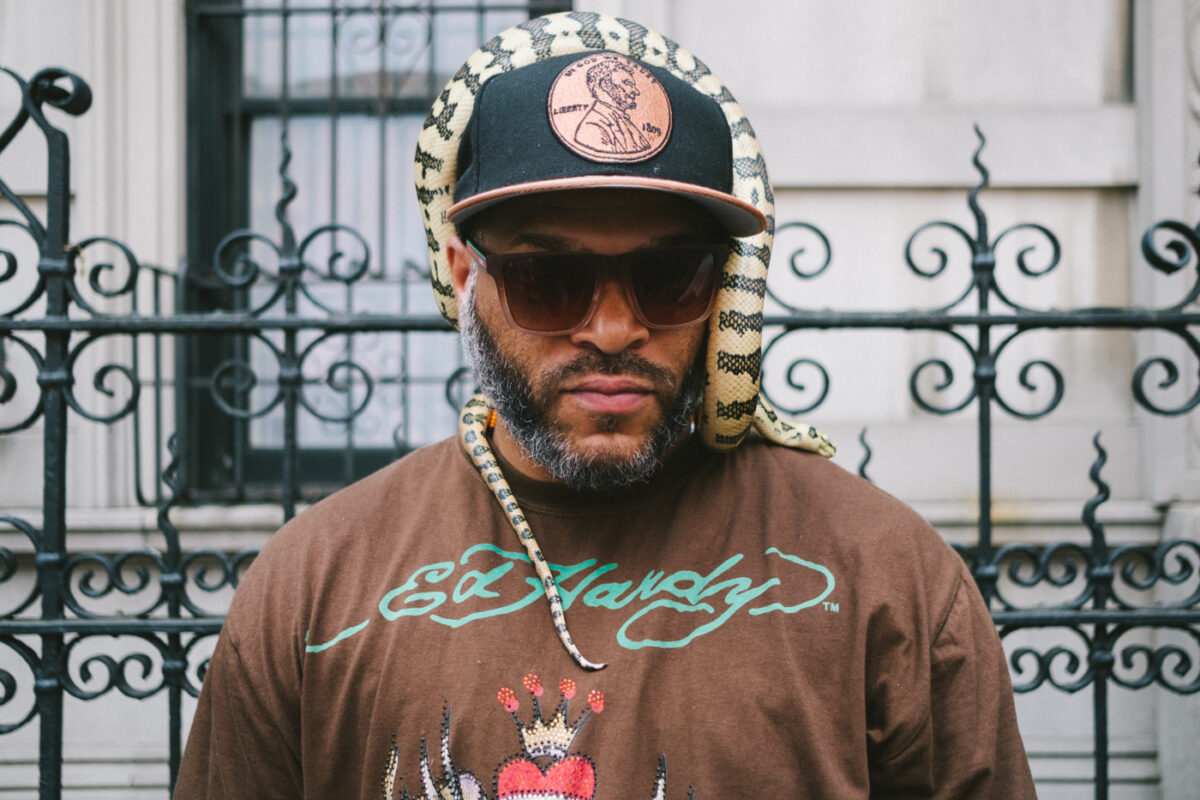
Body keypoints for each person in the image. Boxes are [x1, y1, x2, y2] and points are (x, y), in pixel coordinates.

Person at [175, 11, 1035, 799]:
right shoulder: (312, 590)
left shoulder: (886, 578)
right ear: (464, 275)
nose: (616, 329)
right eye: (548, 280)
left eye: (670, 276)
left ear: (724, 286)